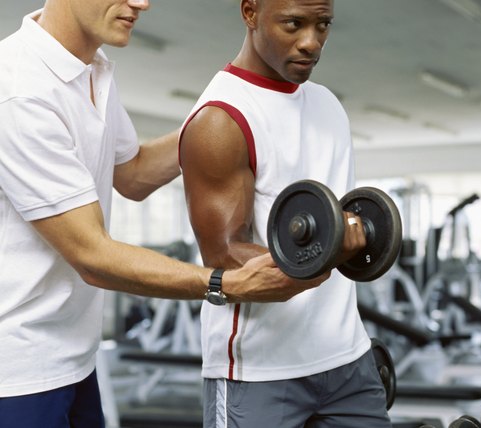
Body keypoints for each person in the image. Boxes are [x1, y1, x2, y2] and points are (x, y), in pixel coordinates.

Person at [0, 1, 328, 427]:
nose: (142, 2)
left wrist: (226, 109)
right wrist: (223, 283)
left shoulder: (92, 68)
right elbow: (92, 256)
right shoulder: (19, 89)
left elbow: (133, 174)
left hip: (73, 357)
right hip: (17, 369)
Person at [178, 0, 393, 426]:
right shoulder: (221, 119)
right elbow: (223, 256)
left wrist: (355, 238)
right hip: (259, 371)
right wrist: (327, 250)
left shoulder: (328, 105)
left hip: (347, 355)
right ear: (250, 12)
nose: (312, 42)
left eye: (323, 25)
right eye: (293, 24)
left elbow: (343, 217)